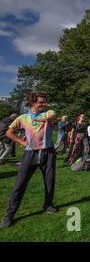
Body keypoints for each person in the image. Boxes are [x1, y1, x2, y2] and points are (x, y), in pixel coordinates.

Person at [0, 92, 57, 228]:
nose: (44, 104)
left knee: (49, 182)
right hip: (30, 154)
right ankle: (9, 216)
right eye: (41, 102)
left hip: (48, 153)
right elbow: (9, 132)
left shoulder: (46, 114)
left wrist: (47, 118)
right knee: (19, 184)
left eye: (44, 102)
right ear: (33, 103)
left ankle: (48, 204)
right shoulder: (23, 118)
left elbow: (53, 114)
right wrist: (21, 141)